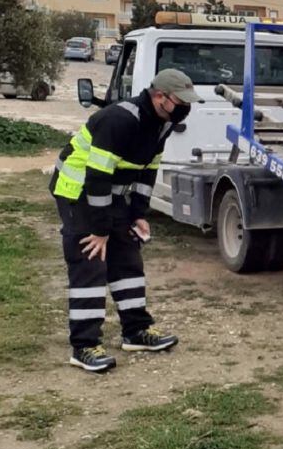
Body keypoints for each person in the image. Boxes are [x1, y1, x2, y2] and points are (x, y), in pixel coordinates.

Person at [50, 68, 202, 372]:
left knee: (128, 259)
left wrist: (138, 214)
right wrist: (101, 230)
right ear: (159, 97)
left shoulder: (162, 123)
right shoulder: (118, 119)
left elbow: (148, 169)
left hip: (111, 195)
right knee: (91, 264)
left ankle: (136, 331)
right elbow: (96, 177)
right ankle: (84, 346)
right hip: (78, 192)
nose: (185, 108)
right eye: (180, 101)